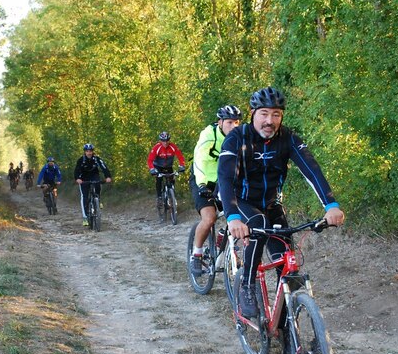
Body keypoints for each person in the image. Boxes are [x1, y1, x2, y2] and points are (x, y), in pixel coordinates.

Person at [217, 87, 345, 319]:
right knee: (258, 222)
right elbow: (225, 178)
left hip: (272, 203)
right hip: (242, 202)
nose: (270, 120)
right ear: (253, 113)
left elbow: (311, 169)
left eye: (276, 114)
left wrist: (331, 205)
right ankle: (247, 285)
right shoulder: (237, 137)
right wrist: (233, 217)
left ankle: (287, 330)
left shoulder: (287, 138)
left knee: (286, 266)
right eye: (264, 113)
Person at [188, 105, 243, 276]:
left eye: (236, 122)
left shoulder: (240, 137)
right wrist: (202, 184)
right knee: (209, 218)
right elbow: (199, 160)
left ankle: (224, 239)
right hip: (202, 179)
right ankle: (197, 254)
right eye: (229, 122)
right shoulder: (209, 135)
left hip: (224, 181)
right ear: (220, 122)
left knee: (239, 213)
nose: (233, 126)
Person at [74, 143, 113, 226]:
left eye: (90, 151)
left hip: (94, 176)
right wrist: (77, 178)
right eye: (87, 151)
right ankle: (85, 217)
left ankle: (97, 200)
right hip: (83, 178)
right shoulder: (81, 160)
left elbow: (104, 167)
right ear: (85, 152)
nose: (89, 153)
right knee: (84, 197)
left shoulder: (97, 159)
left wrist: (108, 176)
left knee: (98, 185)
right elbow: (77, 170)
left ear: (92, 151)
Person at [147, 131, 186, 200]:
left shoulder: (173, 147)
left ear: (169, 140)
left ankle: (172, 195)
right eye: (163, 141)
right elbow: (150, 160)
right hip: (158, 166)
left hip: (168, 167)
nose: (165, 142)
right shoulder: (157, 147)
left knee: (172, 180)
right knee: (159, 180)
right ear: (160, 141)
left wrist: (182, 165)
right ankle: (159, 197)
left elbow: (180, 157)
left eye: (167, 140)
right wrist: (152, 169)